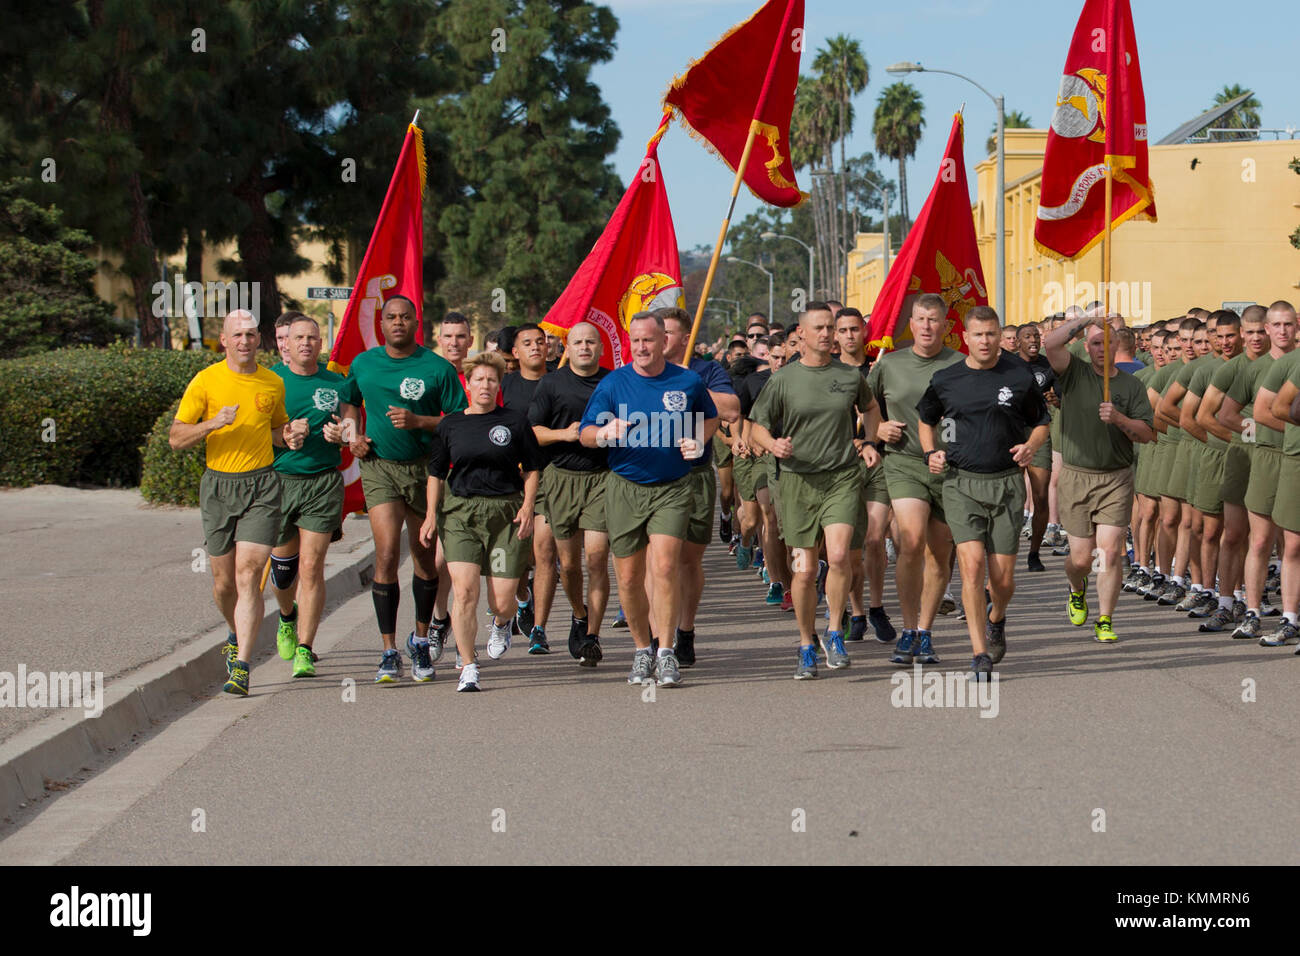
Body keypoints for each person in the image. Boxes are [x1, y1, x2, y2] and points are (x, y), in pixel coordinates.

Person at [579, 312, 718, 687]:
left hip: (672, 487)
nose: (641, 348)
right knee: (627, 577)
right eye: (635, 341)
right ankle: (642, 650)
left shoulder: (686, 381)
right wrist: (605, 433)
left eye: (649, 340)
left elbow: (711, 418)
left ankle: (666, 651)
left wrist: (698, 439)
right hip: (625, 487)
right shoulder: (613, 384)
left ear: (663, 342)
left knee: (665, 566)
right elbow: (585, 434)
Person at [338, 295, 467, 683]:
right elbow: (348, 405)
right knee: (387, 554)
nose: (397, 323)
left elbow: (457, 421)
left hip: (426, 472)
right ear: (382, 323)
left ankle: (422, 641)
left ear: (416, 323)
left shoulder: (437, 368)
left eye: (405, 317)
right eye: (391, 317)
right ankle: (388, 650)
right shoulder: (364, 363)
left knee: (425, 560)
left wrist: (418, 421)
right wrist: (352, 436)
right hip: (379, 468)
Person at [749, 303, 882, 679]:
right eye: (819, 328)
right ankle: (806, 643)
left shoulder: (849, 375)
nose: (826, 334)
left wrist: (870, 441)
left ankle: (835, 631)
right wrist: (773, 444)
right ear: (802, 336)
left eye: (831, 328)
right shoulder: (784, 380)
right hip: (797, 483)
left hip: (841, 477)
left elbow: (870, 408)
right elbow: (756, 424)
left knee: (839, 556)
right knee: (805, 570)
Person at [918, 307, 1050, 677]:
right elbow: (926, 418)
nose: (986, 341)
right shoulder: (946, 379)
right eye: (978, 335)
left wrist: (1031, 446)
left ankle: (997, 617)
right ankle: (979, 653)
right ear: (965, 337)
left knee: (1003, 580)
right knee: (972, 567)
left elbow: (1041, 422)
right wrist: (931, 452)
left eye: (991, 334)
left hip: (1006, 482)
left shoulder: (1019, 376)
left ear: (997, 336)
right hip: (960, 483)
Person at [170, 309, 295, 696]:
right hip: (219, 487)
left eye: (252, 334)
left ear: (260, 340)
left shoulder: (272, 383)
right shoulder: (206, 381)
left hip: (262, 486)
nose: (245, 341)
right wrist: (212, 424)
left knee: (248, 574)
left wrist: (289, 434)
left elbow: (276, 430)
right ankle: (233, 632)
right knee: (224, 584)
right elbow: (176, 438)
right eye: (237, 334)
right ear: (224, 340)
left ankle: (241, 666)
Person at [420, 352, 543, 691]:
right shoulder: (451, 424)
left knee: (500, 601)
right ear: (468, 383)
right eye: (479, 379)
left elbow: (532, 468)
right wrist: (432, 514)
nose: (485, 385)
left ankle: (502, 622)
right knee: (464, 591)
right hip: (461, 514)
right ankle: (468, 666)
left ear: (498, 384)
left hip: (505, 514)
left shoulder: (515, 422)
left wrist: (528, 506)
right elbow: (435, 474)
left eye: (492, 379)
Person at [1043, 311, 1154, 642]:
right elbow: (1050, 343)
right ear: (1086, 348)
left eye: (1108, 341)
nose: (1102, 348)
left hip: (1116, 478)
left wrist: (1119, 418)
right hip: (1077, 477)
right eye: (1095, 343)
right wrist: (1088, 317)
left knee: (1107, 553)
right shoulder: (1073, 373)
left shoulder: (1132, 385)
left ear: (1117, 344)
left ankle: (1105, 619)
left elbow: (1147, 433)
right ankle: (1077, 587)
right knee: (1080, 558)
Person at [866, 294, 964, 664]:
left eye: (933, 320)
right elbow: (866, 408)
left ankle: (924, 631)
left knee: (940, 554)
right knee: (910, 541)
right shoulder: (889, 365)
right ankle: (907, 629)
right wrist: (879, 430)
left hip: (951, 468)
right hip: (905, 463)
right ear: (911, 322)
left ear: (945, 325)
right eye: (920, 319)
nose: (925, 326)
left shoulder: (961, 365)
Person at [267, 314, 359, 677]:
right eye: (299, 337)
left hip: (322, 483)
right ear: (286, 343)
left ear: (321, 345)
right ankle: (287, 617)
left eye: (313, 338)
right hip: (279, 481)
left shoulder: (336, 382)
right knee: (283, 569)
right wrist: (285, 434)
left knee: (311, 566)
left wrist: (343, 435)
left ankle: (305, 648)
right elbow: (259, 428)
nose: (306, 343)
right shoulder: (271, 381)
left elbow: (351, 425)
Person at [660, 307, 740, 666]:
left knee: (688, 560)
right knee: (659, 561)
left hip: (693, 474)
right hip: (650, 476)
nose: (661, 339)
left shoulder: (706, 370)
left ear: (686, 337)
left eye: (670, 332)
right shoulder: (641, 371)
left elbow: (732, 408)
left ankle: (686, 631)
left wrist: (689, 385)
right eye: (655, 332)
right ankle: (657, 635)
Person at [528, 321, 611, 666]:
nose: (584, 347)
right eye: (578, 342)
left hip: (603, 478)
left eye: (591, 342)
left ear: (601, 348)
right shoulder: (552, 382)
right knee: (568, 565)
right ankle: (579, 613)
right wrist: (565, 435)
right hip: (560, 478)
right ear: (566, 347)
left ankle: (591, 635)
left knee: (596, 557)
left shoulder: (613, 381)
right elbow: (532, 432)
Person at [1221, 302, 1295, 636]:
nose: (1282, 331)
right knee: (1261, 540)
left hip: (1295, 459)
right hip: (1265, 457)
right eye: (1276, 325)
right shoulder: (1253, 369)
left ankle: (1290, 615)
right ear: (1267, 329)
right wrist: (1258, 433)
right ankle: (1251, 611)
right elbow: (1227, 415)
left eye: (1288, 325)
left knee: (1292, 545)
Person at [1193, 306, 1268, 631]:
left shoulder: (1283, 364)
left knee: (1266, 539)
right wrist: (1248, 437)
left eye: (1256, 332)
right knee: (1233, 534)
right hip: (1241, 458)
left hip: (1274, 461)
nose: (1228, 342)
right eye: (1246, 333)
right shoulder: (1230, 370)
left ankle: (1254, 601)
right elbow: (1206, 416)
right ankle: (1225, 602)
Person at [833, 307, 895, 643]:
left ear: (864, 331)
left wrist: (880, 430)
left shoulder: (881, 366)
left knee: (874, 539)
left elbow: (894, 410)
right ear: (835, 335)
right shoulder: (828, 372)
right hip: (841, 465)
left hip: (879, 463)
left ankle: (876, 606)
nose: (849, 336)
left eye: (854, 329)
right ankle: (854, 610)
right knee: (850, 546)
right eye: (842, 330)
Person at [1177, 311, 1242, 624]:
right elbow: (1189, 417)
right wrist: (1223, 442)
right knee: (1210, 529)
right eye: (1216, 335)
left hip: (1251, 459)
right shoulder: (1205, 371)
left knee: (1244, 532)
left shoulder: (1252, 366)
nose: (1221, 341)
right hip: (1214, 457)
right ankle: (1205, 588)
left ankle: (1239, 596)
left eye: (1227, 334)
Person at [501, 323, 552, 652]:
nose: (535, 347)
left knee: (544, 551)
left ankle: (539, 629)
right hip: (509, 479)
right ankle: (523, 599)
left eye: (540, 342)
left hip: (550, 476)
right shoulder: (503, 386)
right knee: (516, 559)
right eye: (527, 343)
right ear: (514, 352)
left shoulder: (558, 382)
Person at [1013, 322, 1058, 572]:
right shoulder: (1006, 364)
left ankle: (1034, 553)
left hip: (1039, 433)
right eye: (1027, 336)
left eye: (1036, 336)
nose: (1033, 340)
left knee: (1040, 496)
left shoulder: (1047, 365)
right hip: (1012, 434)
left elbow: (1060, 397)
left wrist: (1055, 399)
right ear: (1018, 341)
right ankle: (1006, 548)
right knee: (1011, 495)